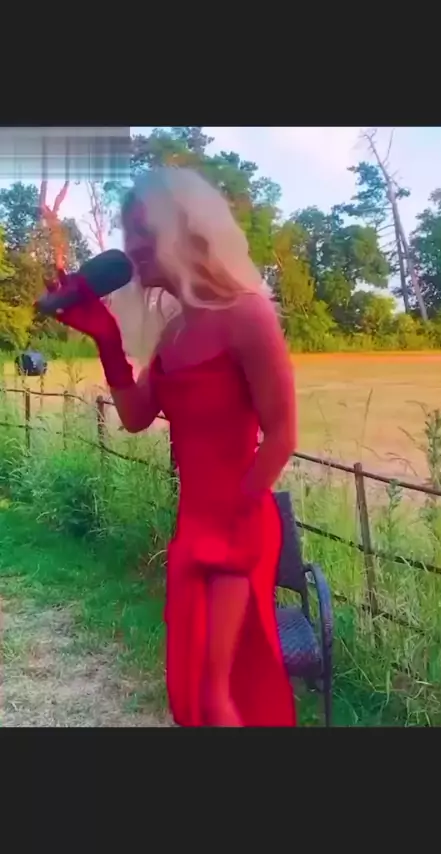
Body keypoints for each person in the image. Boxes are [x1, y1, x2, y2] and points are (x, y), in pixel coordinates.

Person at [43, 167, 297, 727]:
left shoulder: (248, 314)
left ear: (186, 228)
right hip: (195, 526)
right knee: (190, 690)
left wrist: (237, 520)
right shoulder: (174, 334)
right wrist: (107, 338)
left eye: (144, 228)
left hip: (240, 527)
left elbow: (282, 436)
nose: (132, 245)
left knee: (220, 695)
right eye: (127, 230)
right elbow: (136, 417)